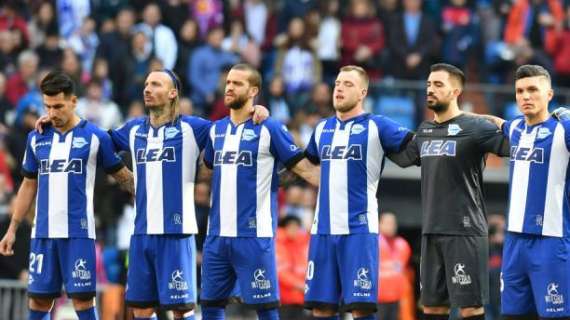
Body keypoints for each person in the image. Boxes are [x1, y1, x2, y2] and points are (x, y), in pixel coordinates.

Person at [108, 68, 269, 320]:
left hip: (177, 232)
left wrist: (257, 111)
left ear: (173, 93)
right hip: (140, 233)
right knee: (141, 308)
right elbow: (100, 143)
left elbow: (230, 128)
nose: (148, 89)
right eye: (147, 84)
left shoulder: (194, 128)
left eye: (156, 85)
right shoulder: (133, 129)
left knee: (182, 309)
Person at [0, 70, 134, 320]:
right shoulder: (36, 138)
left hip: (78, 234)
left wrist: (149, 194)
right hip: (43, 233)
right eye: (47, 106)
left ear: (74, 102)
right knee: (39, 301)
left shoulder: (95, 137)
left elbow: (123, 176)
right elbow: (28, 185)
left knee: (83, 302)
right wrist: (12, 228)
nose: (52, 113)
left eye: (58, 106)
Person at [388, 63, 510, 320]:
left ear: (456, 91)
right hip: (431, 231)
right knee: (432, 307)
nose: (430, 90)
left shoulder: (475, 126)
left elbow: (515, 146)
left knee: (470, 308)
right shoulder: (424, 130)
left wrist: (506, 124)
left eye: (438, 85)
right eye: (429, 84)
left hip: (465, 230)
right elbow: (401, 158)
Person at [200, 63, 319, 320]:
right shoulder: (216, 130)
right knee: (210, 305)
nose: (229, 87)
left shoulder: (269, 128)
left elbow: (305, 170)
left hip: (254, 236)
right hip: (216, 236)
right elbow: (206, 171)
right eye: (228, 82)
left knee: (266, 309)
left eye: (237, 83)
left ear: (253, 90)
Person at [303, 65, 414, 320]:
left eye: (348, 84)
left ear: (363, 92)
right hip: (323, 230)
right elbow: (305, 165)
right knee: (321, 308)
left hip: (359, 230)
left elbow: (414, 146)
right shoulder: (321, 129)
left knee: (360, 308)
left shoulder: (377, 126)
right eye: (337, 83)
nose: (339, 88)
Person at [497, 65, 570, 319]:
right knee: (513, 315)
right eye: (519, 91)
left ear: (549, 94)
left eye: (532, 89)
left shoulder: (564, 128)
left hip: (551, 240)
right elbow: (498, 124)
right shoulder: (515, 128)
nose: (525, 96)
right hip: (514, 242)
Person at [377, 212, 411, 320]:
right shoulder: (372, 244)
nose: (390, 226)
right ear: (379, 224)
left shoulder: (403, 245)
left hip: (396, 299)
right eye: (387, 223)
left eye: (393, 223)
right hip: (377, 300)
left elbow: (404, 272)